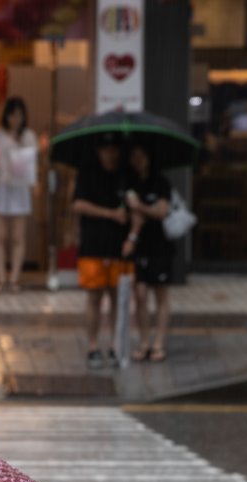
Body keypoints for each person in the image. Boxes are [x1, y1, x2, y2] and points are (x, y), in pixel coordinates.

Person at [71, 134, 134, 370]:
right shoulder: (87, 173)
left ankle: (116, 344)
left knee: (117, 297)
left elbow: (132, 206)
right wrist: (109, 214)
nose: (110, 153)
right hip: (93, 245)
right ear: (98, 151)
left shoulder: (125, 175)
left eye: (114, 148)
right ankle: (92, 345)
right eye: (105, 149)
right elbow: (77, 205)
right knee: (94, 297)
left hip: (119, 247)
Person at [126, 144, 172, 362]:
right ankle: (144, 341)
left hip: (160, 245)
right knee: (140, 293)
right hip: (141, 246)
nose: (138, 160)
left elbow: (161, 211)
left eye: (142, 155)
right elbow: (132, 218)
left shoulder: (161, 182)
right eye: (135, 156)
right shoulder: (131, 184)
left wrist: (140, 207)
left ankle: (159, 342)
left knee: (161, 294)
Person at [0, 97, 38, 292]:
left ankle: (15, 278)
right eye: (12, 115)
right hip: (1, 187)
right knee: (0, 236)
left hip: (20, 188)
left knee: (18, 236)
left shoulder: (29, 136)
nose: (15, 119)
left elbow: (32, 164)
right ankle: (1, 277)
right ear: (6, 116)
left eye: (19, 115)